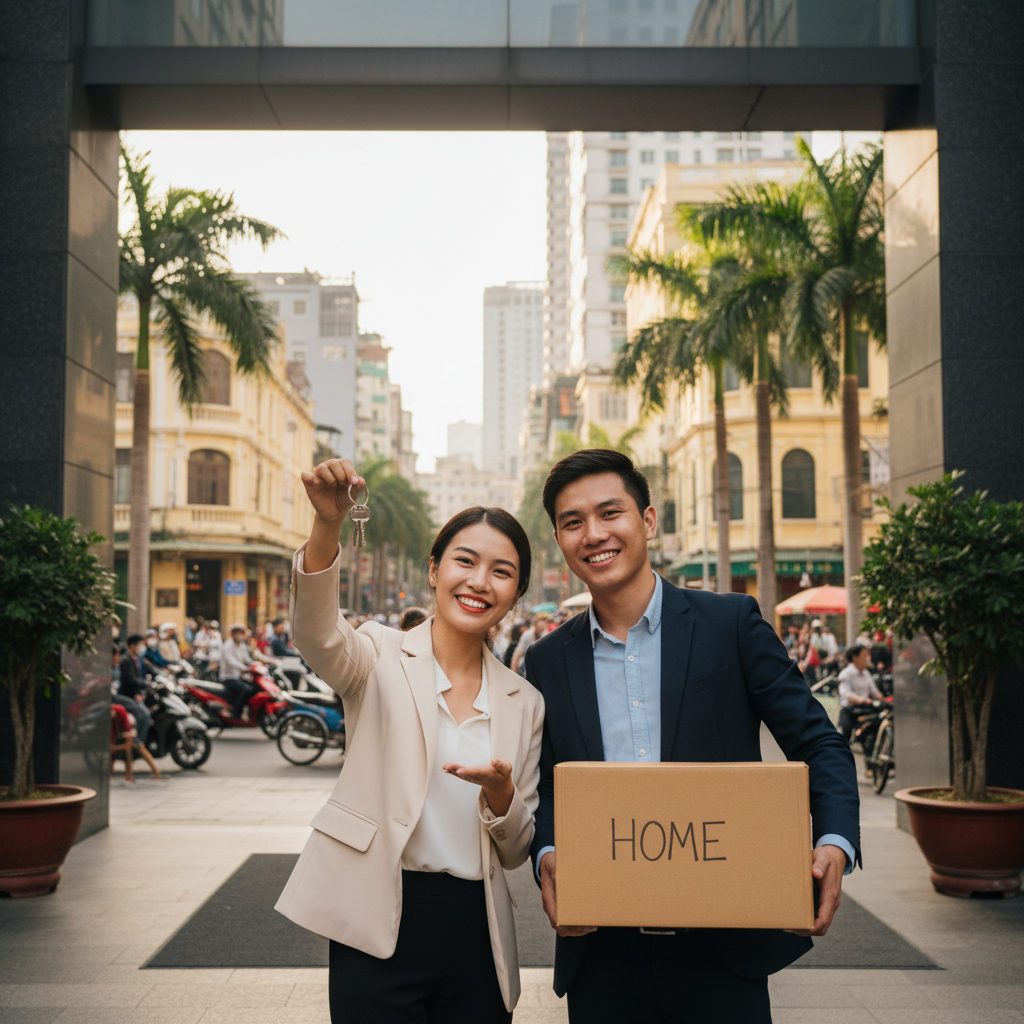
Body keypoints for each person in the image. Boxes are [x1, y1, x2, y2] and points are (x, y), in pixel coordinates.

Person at [524, 449, 860, 1024]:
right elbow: (548, 787)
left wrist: (835, 841)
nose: (594, 534)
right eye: (572, 522)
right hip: (603, 952)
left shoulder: (730, 624)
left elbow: (818, 742)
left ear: (648, 521)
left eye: (611, 513)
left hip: (725, 945)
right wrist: (548, 853)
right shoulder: (548, 659)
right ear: (559, 538)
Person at [275, 457, 544, 1023]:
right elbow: (316, 633)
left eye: (501, 571)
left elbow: (518, 850)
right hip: (379, 916)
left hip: (478, 932)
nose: (478, 582)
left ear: (516, 593)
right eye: (464, 562)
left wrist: (500, 796)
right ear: (433, 570)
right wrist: (327, 526)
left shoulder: (525, 701)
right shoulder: (377, 653)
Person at [837, 643, 883, 742]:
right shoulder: (846, 674)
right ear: (855, 657)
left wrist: (883, 699)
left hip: (866, 709)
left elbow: (875, 691)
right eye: (864, 655)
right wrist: (862, 700)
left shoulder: (866, 673)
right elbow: (847, 694)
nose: (867, 658)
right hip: (850, 710)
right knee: (844, 735)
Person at [219, 624, 256, 719]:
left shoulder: (241, 645)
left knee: (255, 688)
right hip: (228, 677)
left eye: (241, 633)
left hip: (239, 676)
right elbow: (230, 660)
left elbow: (247, 659)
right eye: (237, 634)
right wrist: (243, 668)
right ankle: (236, 714)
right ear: (233, 634)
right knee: (246, 690)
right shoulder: (228, 645)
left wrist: (255, 665)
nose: (240, 636)